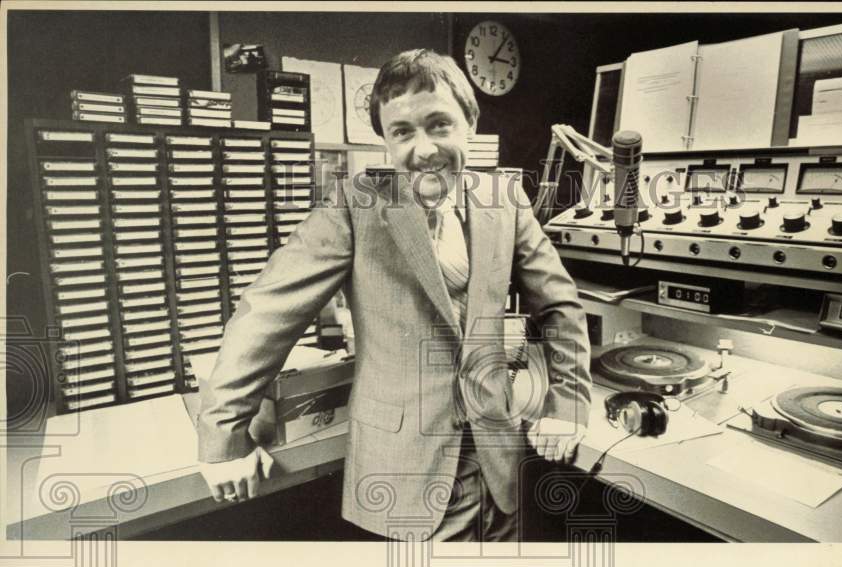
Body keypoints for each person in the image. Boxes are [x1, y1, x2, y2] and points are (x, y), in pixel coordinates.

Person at [197, 49, 591, 541]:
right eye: (402, 132)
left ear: (470, 121)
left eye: (439, 124)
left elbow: (560, 308)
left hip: (498, 461)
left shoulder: (505, 199)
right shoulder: (354, 205)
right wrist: (223, 437)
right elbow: (266, 313)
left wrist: (568, 404)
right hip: (406, 471)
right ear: (385, 140)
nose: (424, 149)